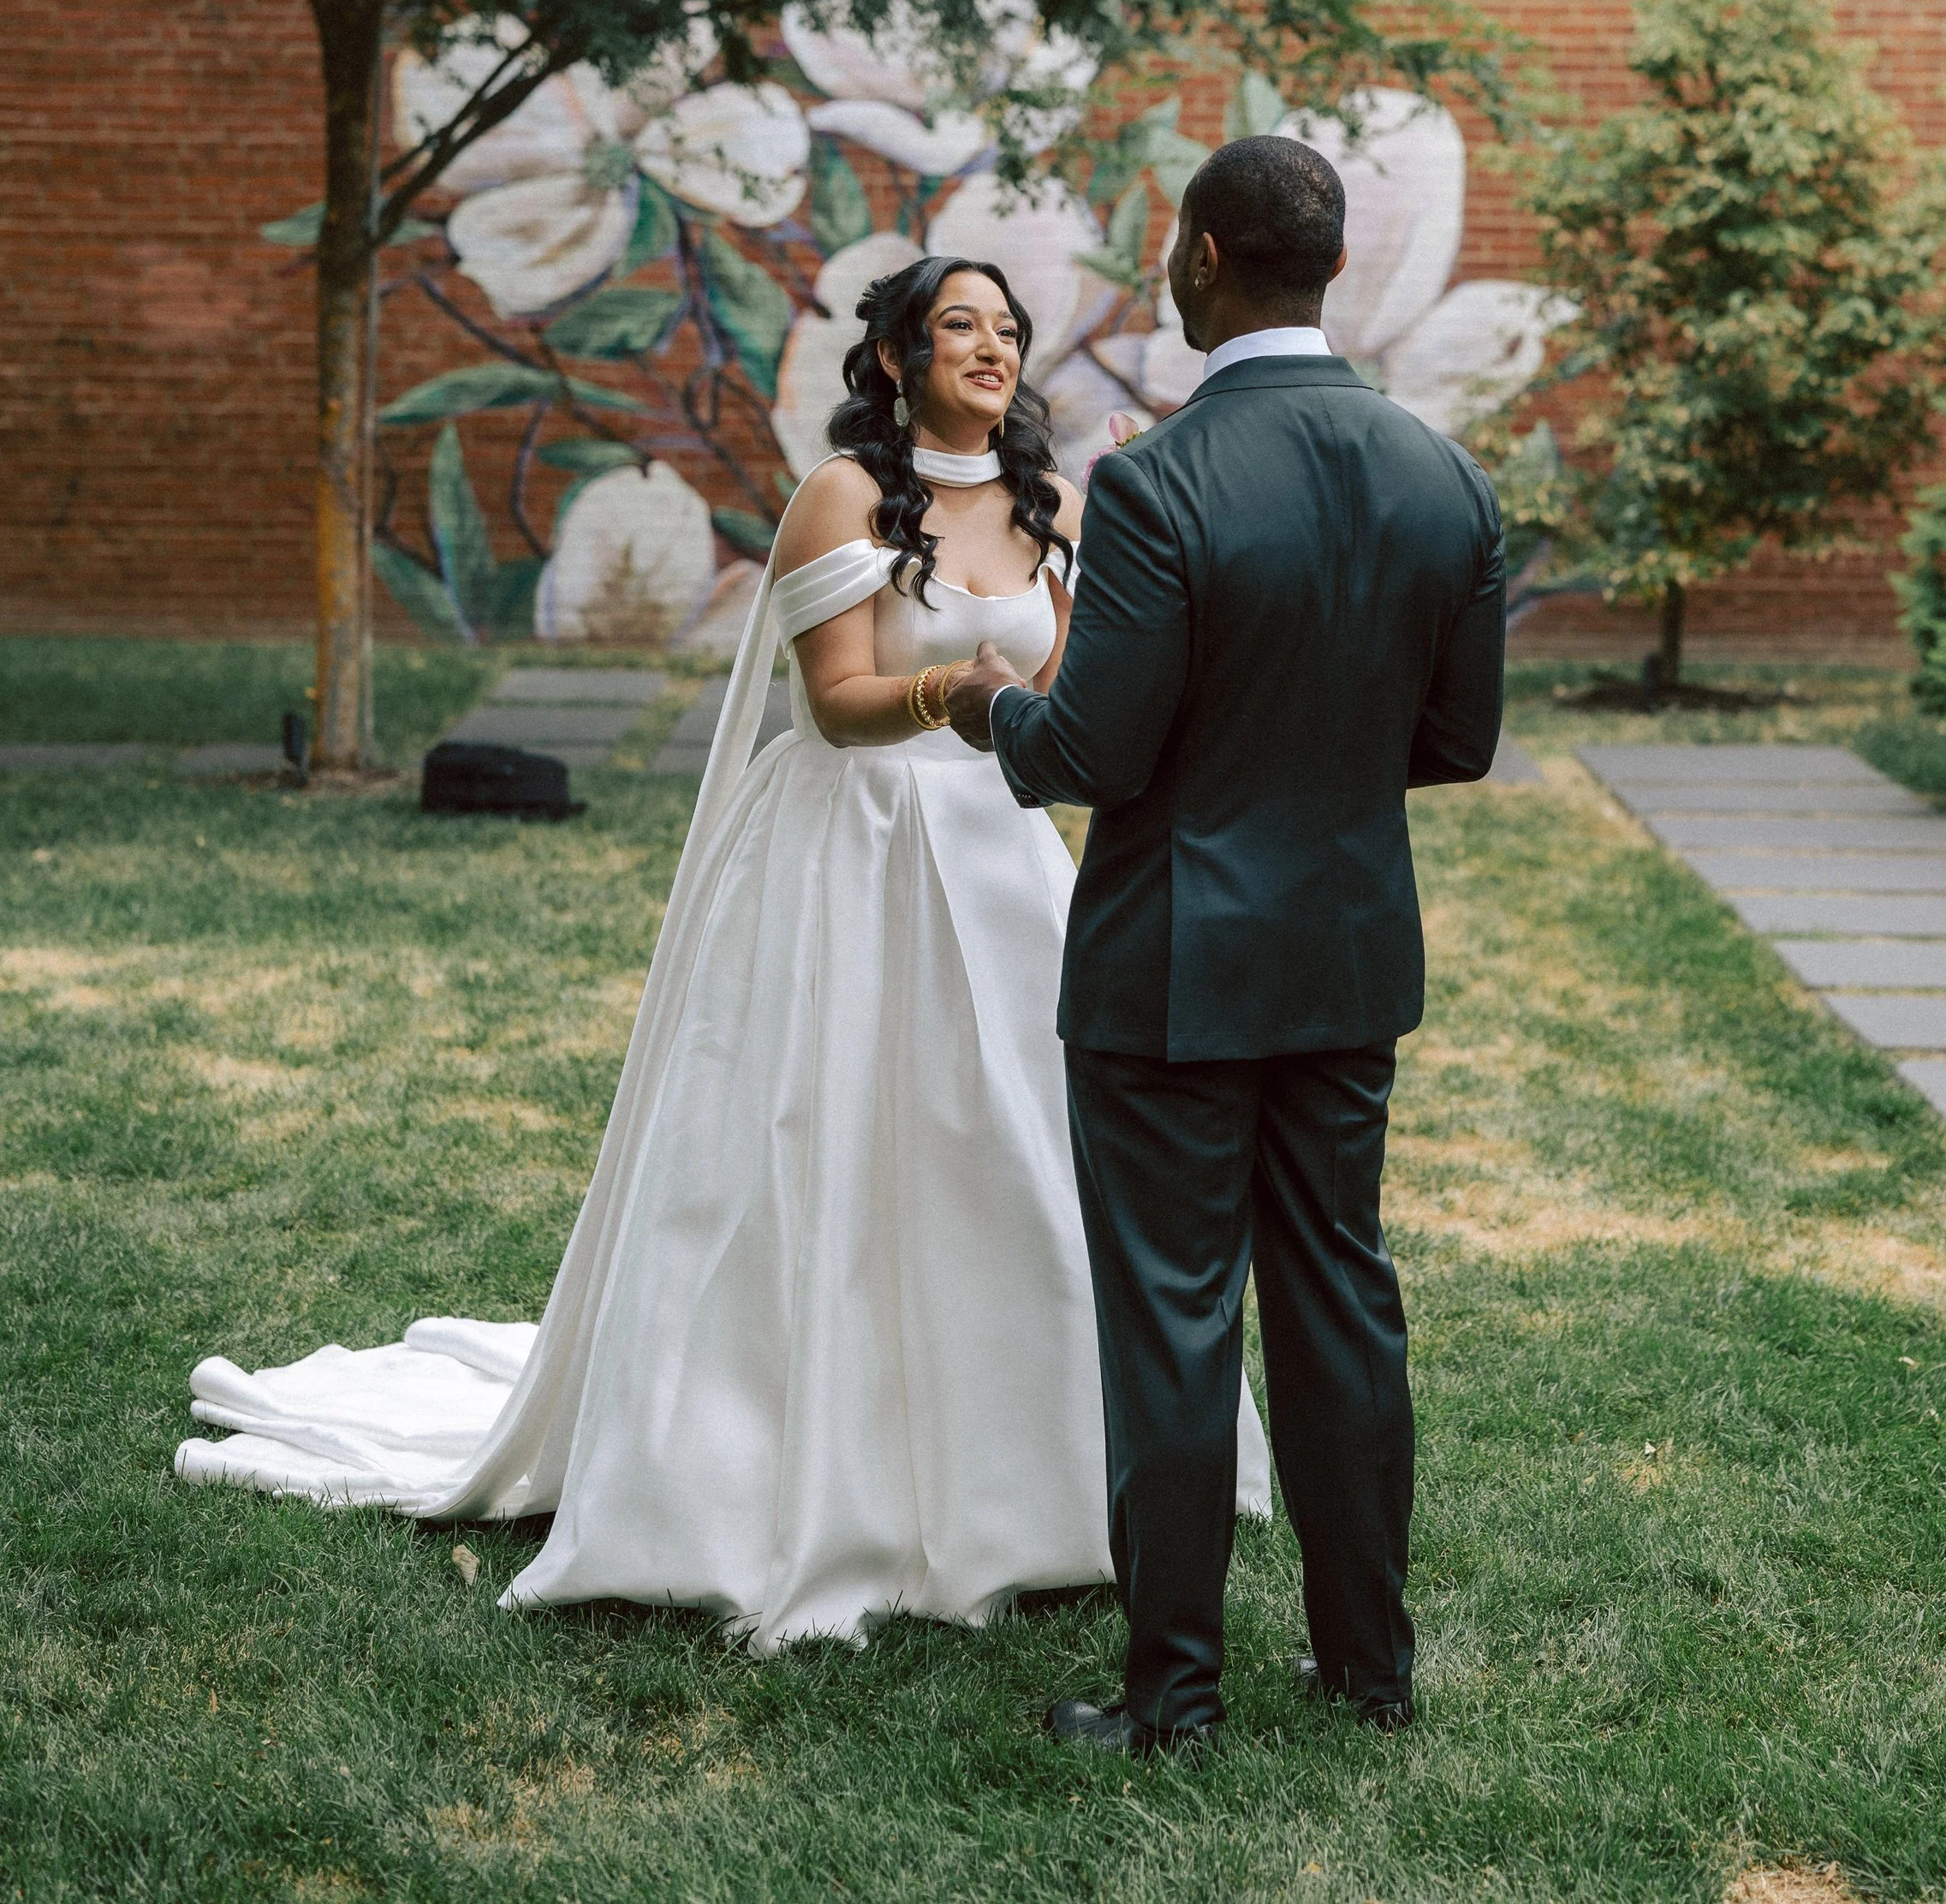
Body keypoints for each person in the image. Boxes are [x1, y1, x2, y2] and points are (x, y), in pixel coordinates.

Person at [176, 253, 1270, 1644]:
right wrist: (954, 691)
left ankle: (1039, 1483)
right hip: (853, 852)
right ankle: (777, 1466)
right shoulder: (845, 498)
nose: (992, 349)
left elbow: (1053, 706)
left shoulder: (1043, 504)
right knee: (820, 1138)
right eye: (959, 327)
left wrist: (1097, 589)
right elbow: (838, 709)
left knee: (1017, 1145)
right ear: (895, 359)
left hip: (995, 861)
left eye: (1007, 329)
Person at [946, 135, 1506, 1754]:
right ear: (1326, 268)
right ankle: (1368, 1673)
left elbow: (1092, 755)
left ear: (1202, 258)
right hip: (1342, 954)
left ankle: (1174, 1698)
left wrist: (994, 706)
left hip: (1171, 968)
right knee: (1343, 1299)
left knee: (1176, 1320)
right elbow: (1457, 741)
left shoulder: (1162, 480)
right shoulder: (1445, 477)